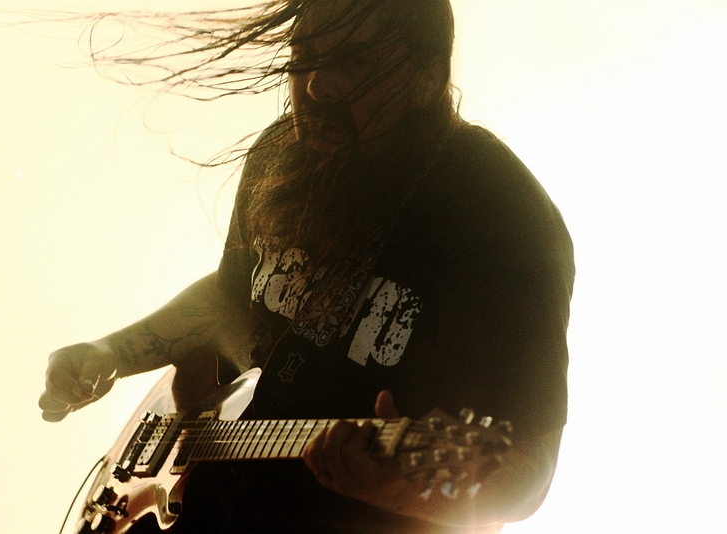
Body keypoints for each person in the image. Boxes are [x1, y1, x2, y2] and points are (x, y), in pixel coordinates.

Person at [39, 1, 574, 532]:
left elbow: (530, 469)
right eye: (304, 56)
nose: (317, 86)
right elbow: (232, 302)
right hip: (213, 501)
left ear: (426, 77)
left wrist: (391, 486)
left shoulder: (507, 220)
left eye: (354, 60)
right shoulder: (284, 153)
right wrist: (110, 352)